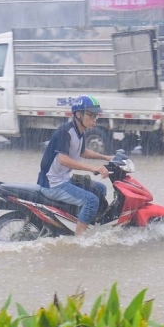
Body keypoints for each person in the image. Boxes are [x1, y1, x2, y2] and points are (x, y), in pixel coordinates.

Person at [37, 95, 113, 235]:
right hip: (52, 184)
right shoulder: (65, 131)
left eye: (96, 115)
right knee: (91, 200)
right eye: (90, 115)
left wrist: (106, 157)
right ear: (78, 114)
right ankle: (79, 239)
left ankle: (79, 220)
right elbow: (63, 159)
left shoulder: (80, 131)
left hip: (63, 179)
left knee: (100, 189)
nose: (94, 119)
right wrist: (93, 168)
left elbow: (83, 151)